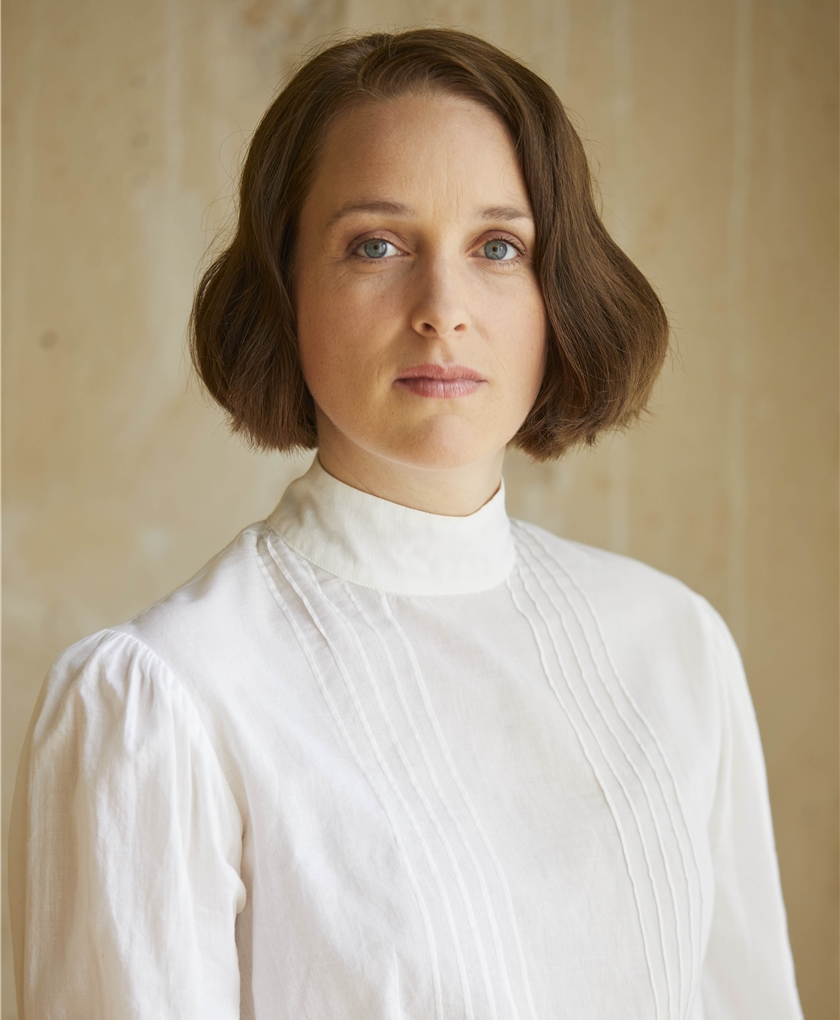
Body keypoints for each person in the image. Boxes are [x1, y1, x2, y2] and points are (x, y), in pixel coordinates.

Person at [9, 27, 803, 1020]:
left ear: (557, 291)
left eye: (498, 247)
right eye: (376, 246)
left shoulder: (674, 647)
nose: (443, 309)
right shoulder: (166, 702)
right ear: (284, 286)